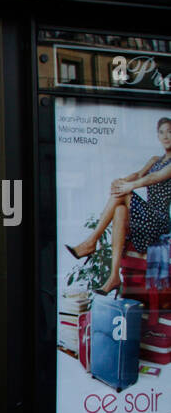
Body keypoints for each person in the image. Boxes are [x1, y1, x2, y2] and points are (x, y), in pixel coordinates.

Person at [66, 117, 171, 293]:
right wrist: (122, 181)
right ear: (158, 136)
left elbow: (154, 178)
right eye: (162, 132)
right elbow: (138, 174)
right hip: (145, 221)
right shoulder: (154, 160)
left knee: (124, 193)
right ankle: (114, 276)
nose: (166, 136)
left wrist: (128, 187)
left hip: (158, 223)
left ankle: (91, 241)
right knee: (121, 209)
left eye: (170, 131)